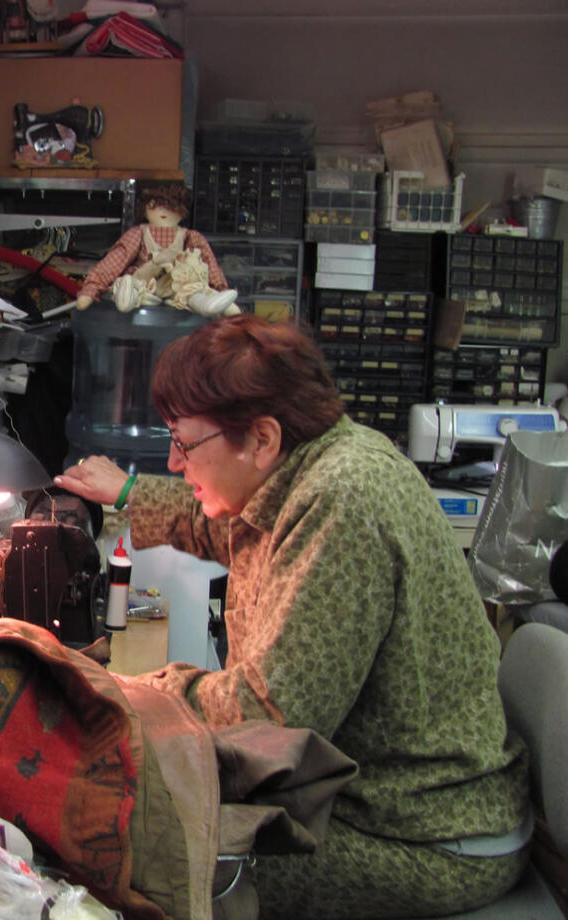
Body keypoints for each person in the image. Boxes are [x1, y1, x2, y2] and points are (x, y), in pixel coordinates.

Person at [53, 315, 529, 919]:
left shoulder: (342, 500)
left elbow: (270, 718)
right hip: (371, 801)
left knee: (142, 855)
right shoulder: (306, 468)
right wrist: (127, 493)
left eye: (184, 443)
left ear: (261, 438)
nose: (174, 463)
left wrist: (140, 691)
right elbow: (220, 521)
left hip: (426, 833)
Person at [75, 182, 239, 316]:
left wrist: (218, 287)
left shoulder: (189, 236)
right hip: (145, 280)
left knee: (191, 291)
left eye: (170, 206)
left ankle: (206, 302)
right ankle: (127, 294)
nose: (162, 211)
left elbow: (208, 262)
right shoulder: (139, 233)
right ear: (146, 208)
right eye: (155, 205)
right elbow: (116, 259)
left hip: (177, 284)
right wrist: (92, 288)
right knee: (131, 285)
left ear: (182, 212)